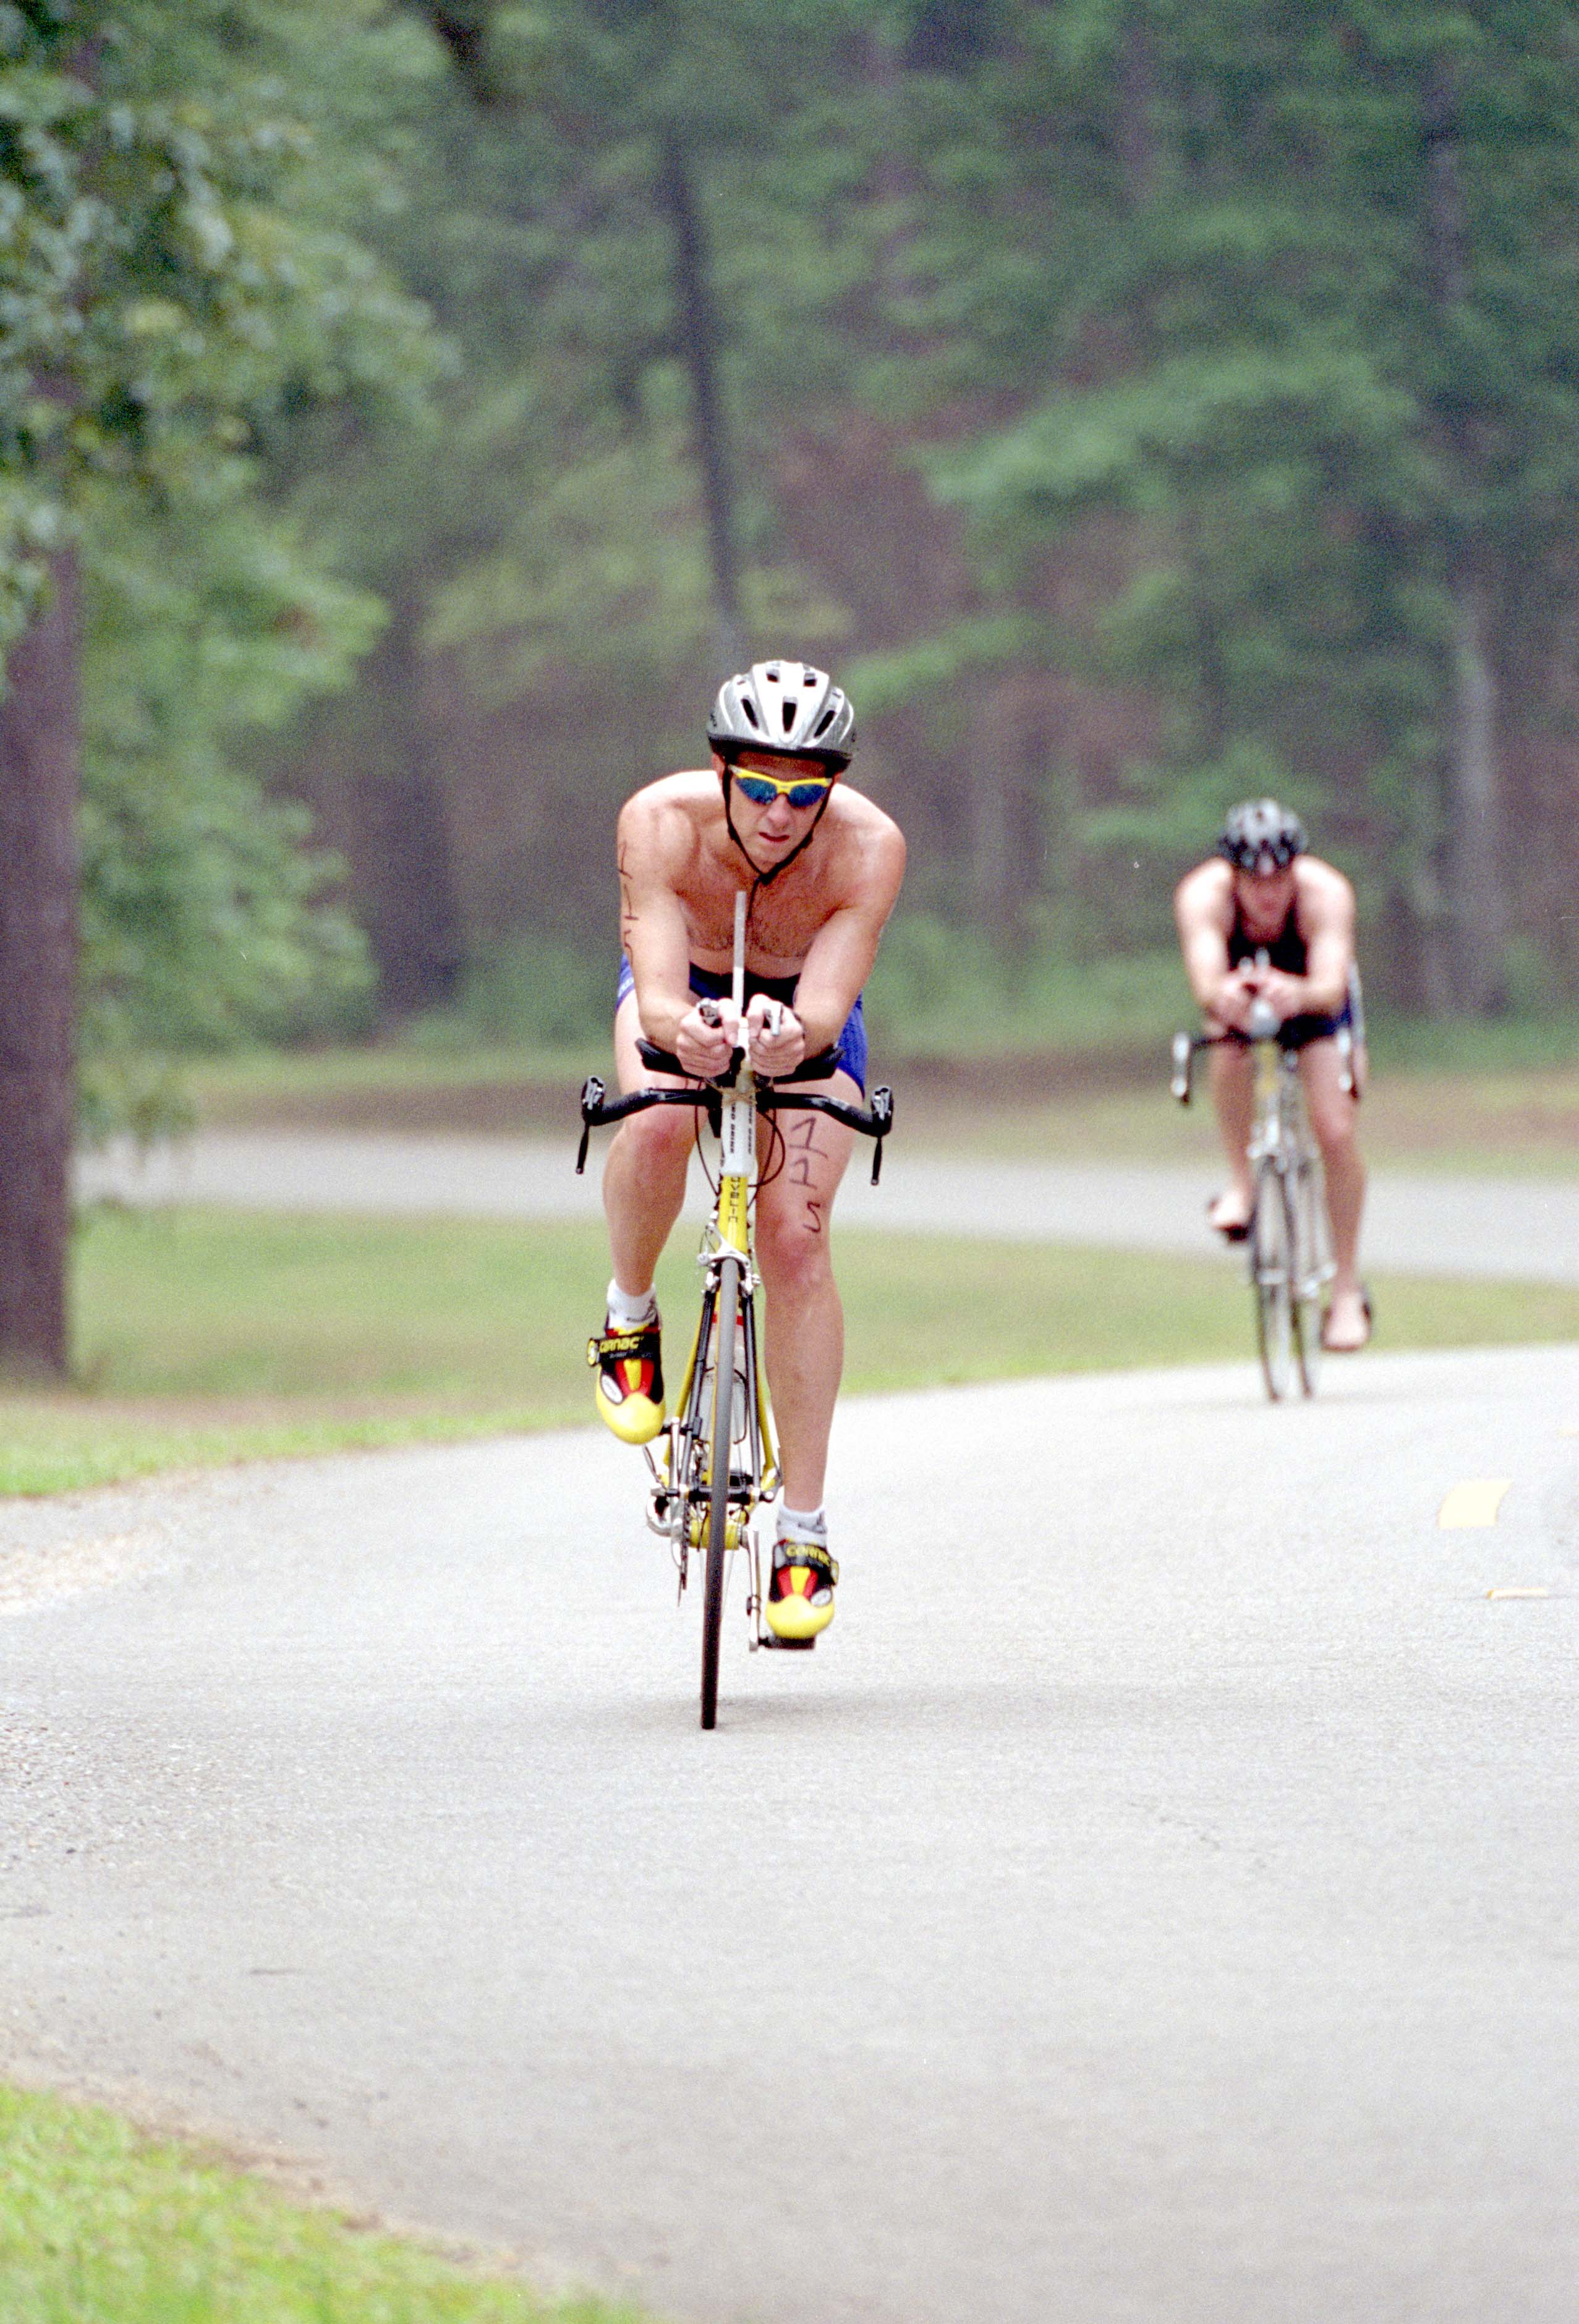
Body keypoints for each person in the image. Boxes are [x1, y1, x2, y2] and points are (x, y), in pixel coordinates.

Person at [589, 659, 906, 1639]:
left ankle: (802, 1533)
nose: (778, 813)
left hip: (800, 1008)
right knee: (656, 1118)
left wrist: (791, 1036)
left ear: (832, 792)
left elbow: (826, 1008)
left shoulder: (868, 848)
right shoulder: (659, 821)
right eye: (760, 786)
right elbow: (654, 995)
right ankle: (629, 1313)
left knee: (795, 1236)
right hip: (683, 985)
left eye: (804, 795)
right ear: (722, 770)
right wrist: (682, 1029)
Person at [1173, 798, 1371, 1353]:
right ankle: (1243, 1183)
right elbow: (1205, 982)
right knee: (1227, 1047)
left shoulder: (1325, 893)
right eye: (1254, 881)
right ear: (1232, 875)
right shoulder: (1202, 896)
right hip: (1245, 997)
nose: (1268, 893)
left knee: (1335, 1129)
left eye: (1280, 878)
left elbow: (1330, 986)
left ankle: (1346, 1290)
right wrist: (1225, 995)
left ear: (1295, 870)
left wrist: (1298, 993)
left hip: (1315, 997)